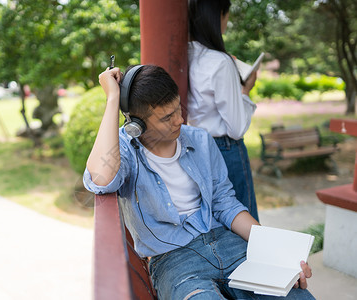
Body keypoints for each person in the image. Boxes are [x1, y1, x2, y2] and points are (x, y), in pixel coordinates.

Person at [83, 64, 314, 299]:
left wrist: (273, 252)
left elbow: (226, 204)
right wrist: (113, 99)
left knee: (297, 296)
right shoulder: (126, 152)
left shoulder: (200, 139)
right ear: (137, 125)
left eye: (177, 110)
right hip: (174, 261)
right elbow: (101, 180)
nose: (179, 120)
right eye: (167, 117)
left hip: (228, 244)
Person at [187, 0, 259, 221]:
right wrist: (245, 91)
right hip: (226, 149)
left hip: (196, 147)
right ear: (219, 15)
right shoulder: (220, 62)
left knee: (215, 223)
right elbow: (236, 128)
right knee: (243, 222)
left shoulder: (186, 55)